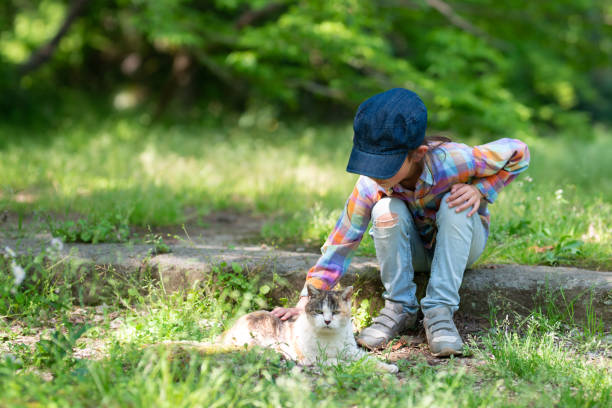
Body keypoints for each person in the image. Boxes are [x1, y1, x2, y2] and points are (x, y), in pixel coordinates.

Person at [271, 88, 530, 357]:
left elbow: (519, 151)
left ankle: (439, 312)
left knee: (454, 204)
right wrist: (306, 299)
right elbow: (342, 241)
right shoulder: (371, 184)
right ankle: (400, 307)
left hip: (461, 246)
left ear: (416, 153)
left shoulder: (456, 161)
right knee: (385, 207)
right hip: (413, 252)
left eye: (384, 165)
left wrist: (482, 190)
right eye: (368, 163)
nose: (374, 174)